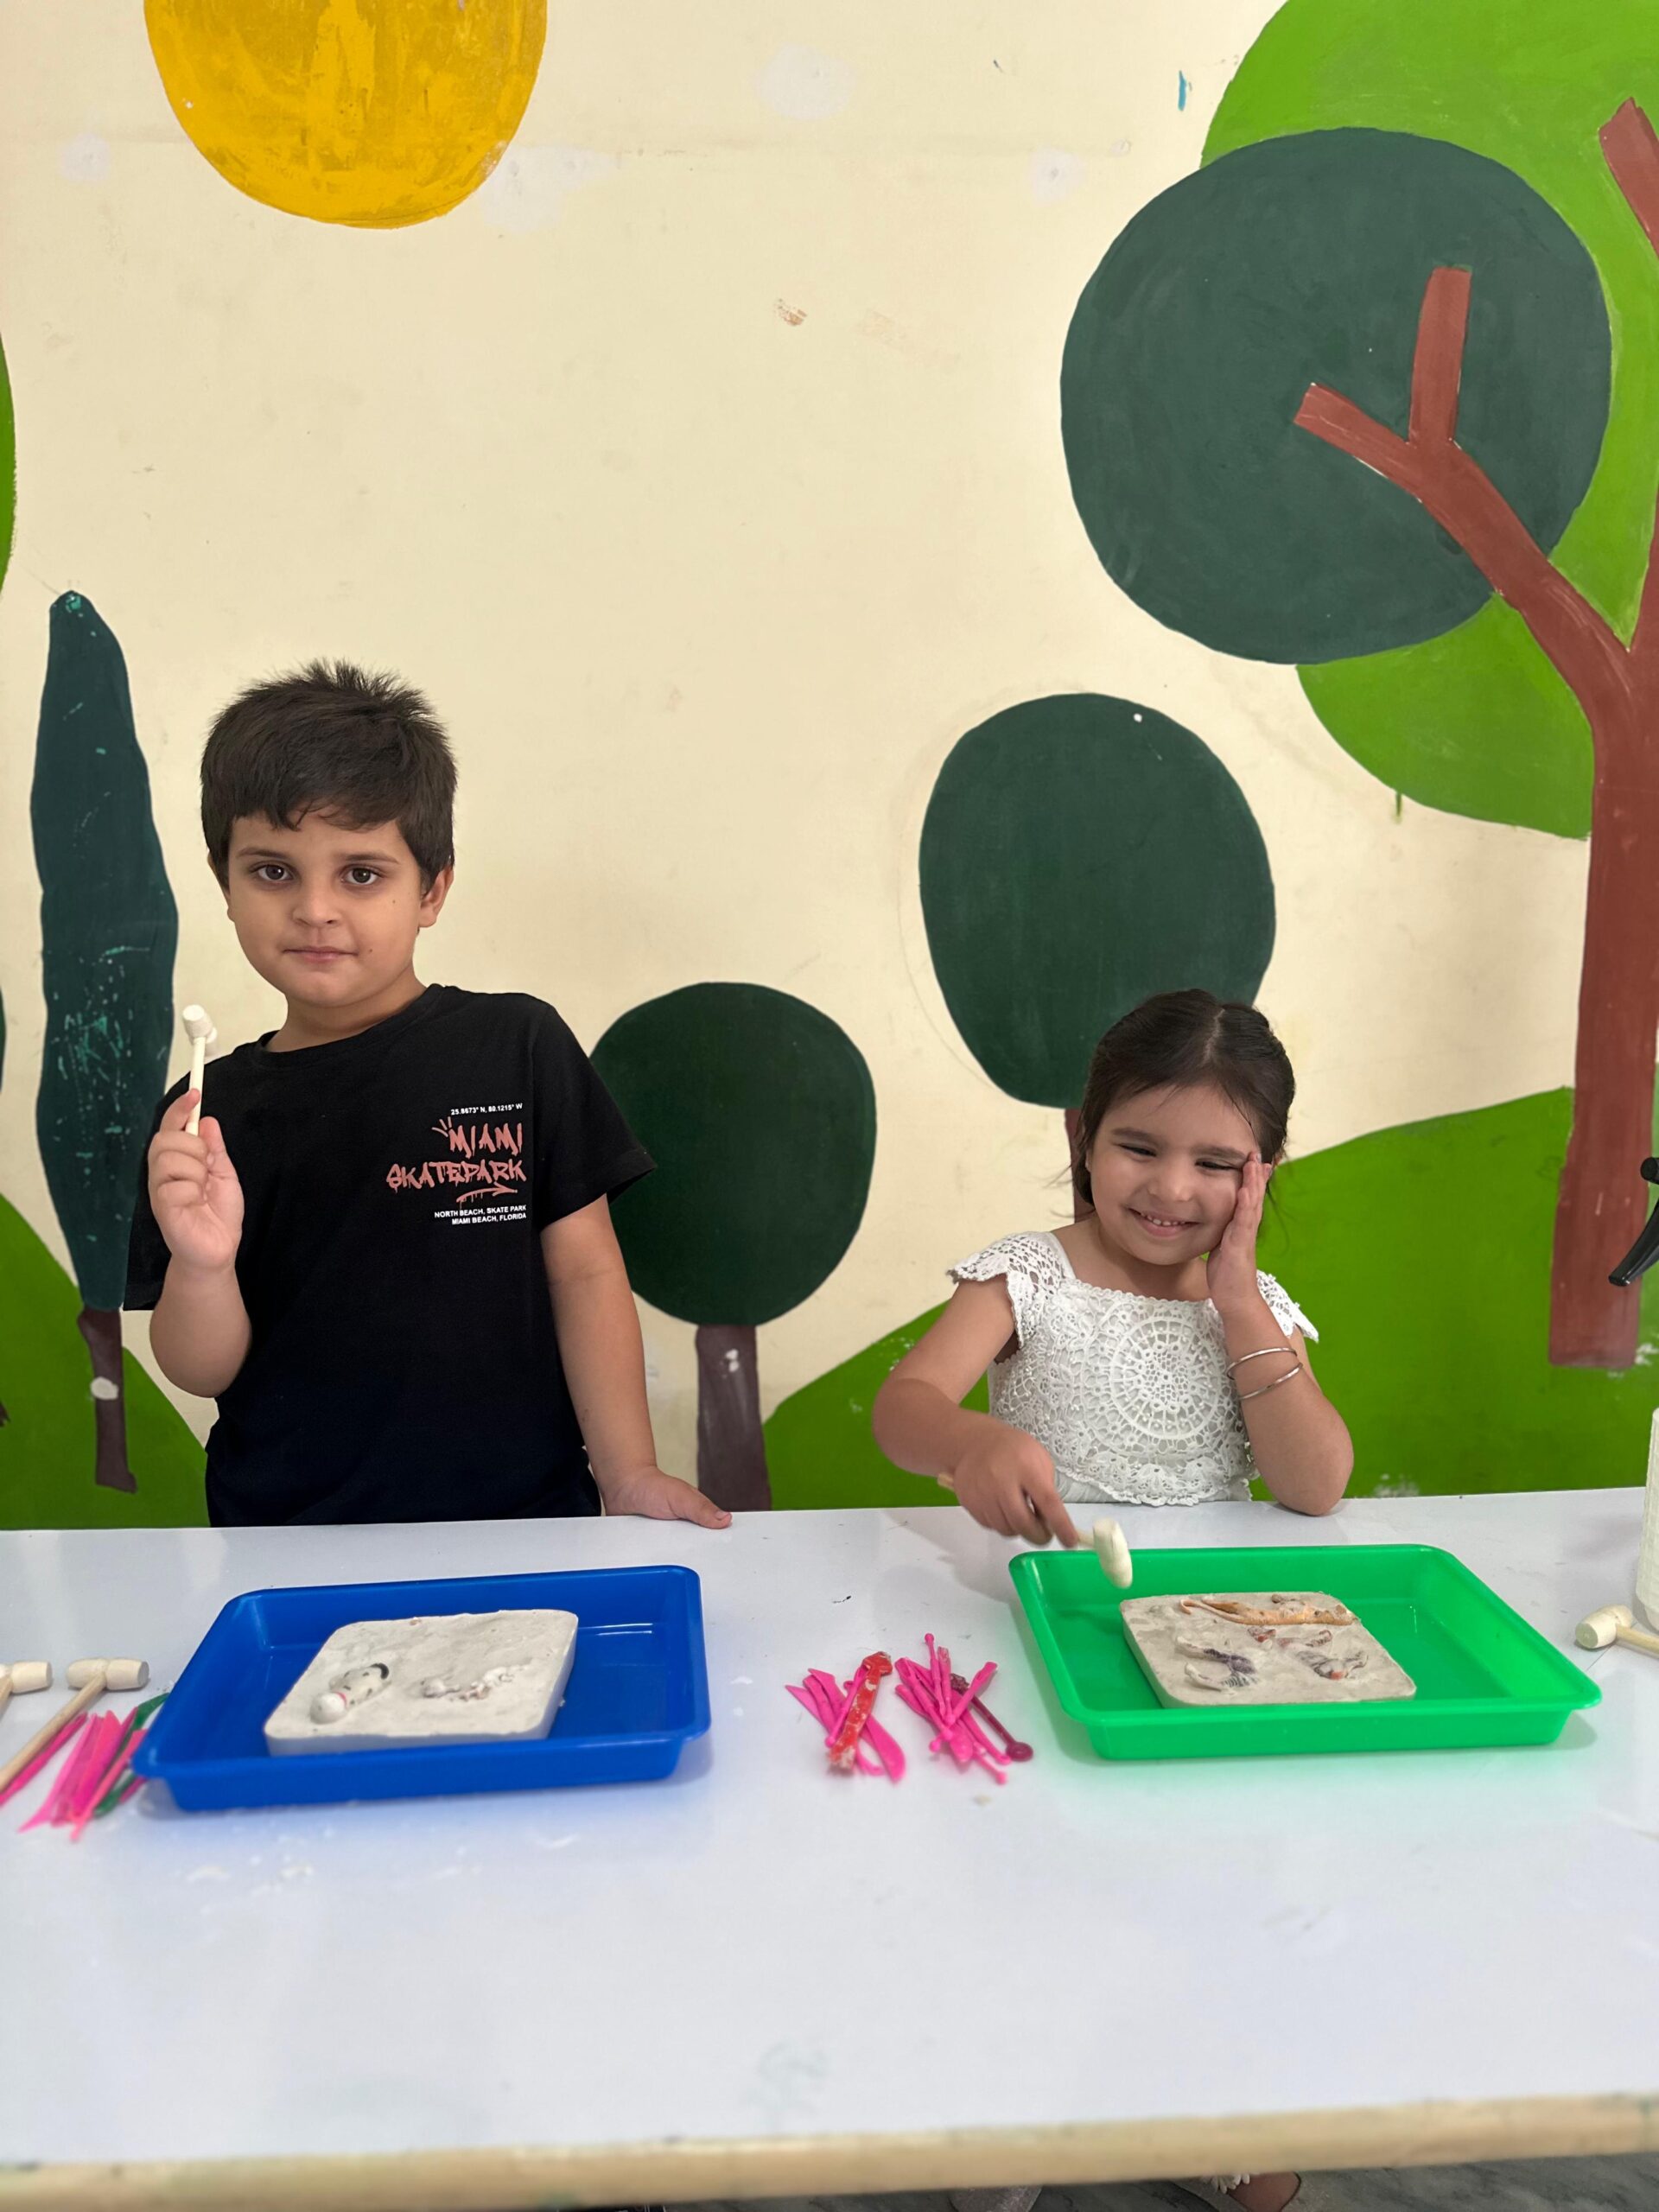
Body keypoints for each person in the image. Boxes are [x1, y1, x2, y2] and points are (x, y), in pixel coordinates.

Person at [874, 988, 1352, 2212]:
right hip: (1047, 1647)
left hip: (1205, 1660)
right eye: (1140, 1145)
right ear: (1082, 1133)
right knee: (1037, 1891)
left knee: (1209, 1890)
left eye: (1216, 1163)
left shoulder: (1254, 1310)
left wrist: (1237, 1298)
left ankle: (1194, 2100)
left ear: (1262, 1174)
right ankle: (1022, 2114)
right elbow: (903, 1407)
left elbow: (1315, 1484)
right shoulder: (1027, 1277)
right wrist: (968, 1444)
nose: (1171, 1188)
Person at [126, 660, 727, 1535]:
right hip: (287, 1540)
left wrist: (629, 1472)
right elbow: (198, 1369)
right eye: (274, 872)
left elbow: (587, 1273)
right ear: (226, 883)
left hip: (522, 1526)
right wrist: (203, 1265)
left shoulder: (518, 1046)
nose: (316, 909)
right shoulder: (202, 1114)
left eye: (361, 874)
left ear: (432, 889)